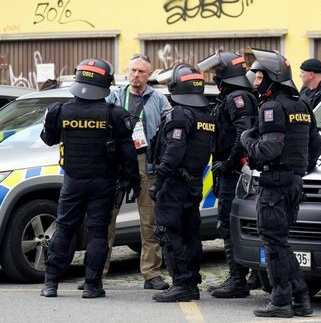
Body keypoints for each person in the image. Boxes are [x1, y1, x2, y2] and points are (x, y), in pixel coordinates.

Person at [39, 58, 140, 298]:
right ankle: (92, 285)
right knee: (97, 233)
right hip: (102, 182)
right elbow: (128, 154)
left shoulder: (59, 111)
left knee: (64, 229)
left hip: (72, 180)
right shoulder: (114, 114)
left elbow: (48, 139)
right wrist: (133, 180)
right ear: (106, 82)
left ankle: (50, 283)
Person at [240, 48, 321, 318]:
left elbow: (269, 150)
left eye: (258, 76)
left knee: (274, 244)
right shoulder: (302, 105)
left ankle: (280, 301)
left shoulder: (272, 107)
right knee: (281, 242)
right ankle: (300, 298)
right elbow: (317, 144)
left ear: (272, 77)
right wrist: (301, 169)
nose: (254, 81)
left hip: (275, 185)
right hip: (293, 184)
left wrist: (247, 140)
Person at [88, 53, 170, 291]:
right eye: (133, 70)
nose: (137, 75)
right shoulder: (114, 96)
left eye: (142, 72)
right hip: (115, 160)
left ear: (149, 74)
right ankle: (96, 273)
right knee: (105, 219)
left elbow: (169, 129)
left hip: (146, 161)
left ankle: (151, 273)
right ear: (127, 71)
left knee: (150, 220)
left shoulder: (159, 99)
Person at [148, 64, 215, 302]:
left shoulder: (180, 114)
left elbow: (175, 150)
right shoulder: (205, 115)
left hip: (175, 183)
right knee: (190, 234)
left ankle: (182, 284)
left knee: (167, 231)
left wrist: (159, 180)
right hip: (194, 182)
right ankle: (192, 281)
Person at [198, 50, 258, 298]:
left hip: (234, 171)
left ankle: (237, 279)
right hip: (232, 169)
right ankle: (252, 275)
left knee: (229, 223)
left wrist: (230, 163)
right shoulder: (234, 96)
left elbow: (243, 135)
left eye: (216, 74)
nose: (214, 78)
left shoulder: (237, 98)